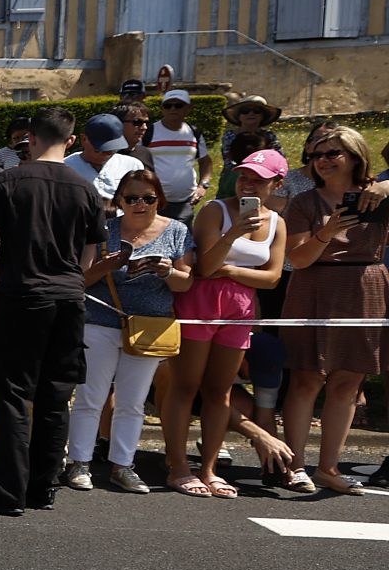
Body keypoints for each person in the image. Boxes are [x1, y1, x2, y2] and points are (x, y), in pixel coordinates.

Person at [0, 108, 109, 516]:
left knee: (12, 394)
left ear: (29, 139)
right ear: (70, 141)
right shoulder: (87, 190)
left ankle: (7, 490)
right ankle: (43, 487)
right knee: (55, 396)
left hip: (22, 294)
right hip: (70, 298)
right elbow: (89, 258)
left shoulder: (4, 183)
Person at [162, 148, 288, 499]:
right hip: (201, 302)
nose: (247, 184)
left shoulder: (277, 222)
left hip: (240, 308)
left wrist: (232, 270)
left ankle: (209, 469)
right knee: (186, 385)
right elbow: (204, 266)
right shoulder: (214, 210)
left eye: (258, 180)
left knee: (220, 390)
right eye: (244, 176)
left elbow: (273, 277)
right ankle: (178, 466)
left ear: (277, 183)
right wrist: (233, 236)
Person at [61, 168, 193, 495]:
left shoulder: (177, 230)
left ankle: (123, 465)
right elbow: (83, 278)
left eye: (148, 198)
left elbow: (187, 281)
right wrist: (110, 264)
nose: (139, 204)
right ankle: (78, 462)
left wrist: (167, 271)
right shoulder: (104, 230)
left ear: (159, 199)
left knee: (133, 402)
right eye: (131, 198)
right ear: (119, 200)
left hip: (150, 325)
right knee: (91, 396)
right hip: (101, 320)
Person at [278, 125, 389, 495]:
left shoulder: (378, 195)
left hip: (365, 287)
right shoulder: (305, 202)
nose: (321, 160)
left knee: (349, 380)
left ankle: (328, 467)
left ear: (355, 156)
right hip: (315, 285)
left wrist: (386, 186)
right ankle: (295, 465)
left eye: (332, 153)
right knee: (307, 377)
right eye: (316, 154)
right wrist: (327, 232)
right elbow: (297, 258)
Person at [143, 90, 208, 212]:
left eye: (178, 105)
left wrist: (203, 186)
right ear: (162, 109)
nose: (173, 109)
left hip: (185, 203)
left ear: (188, 109)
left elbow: (205, 162)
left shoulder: (194, 133)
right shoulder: (149, 132)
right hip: (154, 201)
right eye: (168, 106)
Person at [66, 114, 142, 204]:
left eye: (112, 150)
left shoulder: (132, 165)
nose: (106, 154)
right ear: (84, 139)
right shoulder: (65, 167)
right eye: (100, 150)